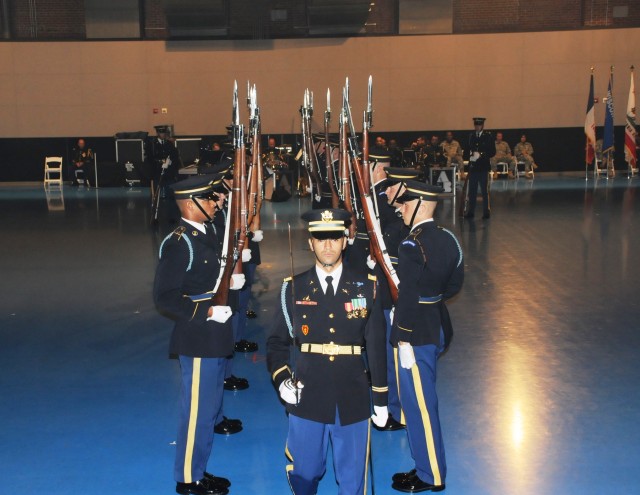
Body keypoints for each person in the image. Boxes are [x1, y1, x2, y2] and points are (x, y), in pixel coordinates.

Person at [267, 208, 389, 495]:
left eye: (334, 238)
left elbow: (376, 345)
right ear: (310, 243)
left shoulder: (367, 286)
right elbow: (276, 343)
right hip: (308, 391)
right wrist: (282, 379)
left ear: (345, 240)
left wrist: (381, 398)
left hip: (353, 391)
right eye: (320, 239)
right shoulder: (292, 289)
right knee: (306, 473)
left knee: (353, 477)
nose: (328, 246)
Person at [153, 174, 248, 495]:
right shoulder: (180, 242)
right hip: (197, 335)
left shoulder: (207, 232)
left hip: (216, 334)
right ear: (190, 205)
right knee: (196, 411)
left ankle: (198, 469)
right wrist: (206, 311)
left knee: (208, 408)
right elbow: (164, 296)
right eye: (208, 199)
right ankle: (188, 478)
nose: (214, 203)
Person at [390, 180, 464, 493]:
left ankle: (431, 474)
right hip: (436, 324)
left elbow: (407, 295)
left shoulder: (411, 246)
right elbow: (454, 285)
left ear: (420, 205)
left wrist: (403, 337)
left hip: (415, 334)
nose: (401, 209)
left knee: (420, 405)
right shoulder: (449, 239)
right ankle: (423, 464)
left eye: (405, 204)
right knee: (420, 401)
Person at [370, 166, 422, 432]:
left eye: (392, 186)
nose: (387, 190)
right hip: (384, 296)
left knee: (392, 359)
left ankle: (395, 407)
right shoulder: (394, 218)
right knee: (386, 357)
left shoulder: (404, 225)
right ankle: (391, 407)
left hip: (395, 298)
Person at [465, 117, 496, 219]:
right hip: (473, 167)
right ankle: (471, 211)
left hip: (483, 167)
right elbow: (467, 150)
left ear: (482, 125)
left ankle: (486, 212)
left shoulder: (488, 136)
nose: (477, 127)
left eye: (479, 125)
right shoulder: (471, 136)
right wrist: (470, 156)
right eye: (476, 125)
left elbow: (492, 152)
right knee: (472, 191)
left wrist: (481, 154)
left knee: (484, 191)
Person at [147, 125, 181, 193]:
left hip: (168, 173)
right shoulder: (152, 144)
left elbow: (174, 156)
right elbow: (150, 158)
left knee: (170, 191)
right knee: (156, 192)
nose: (163, 134)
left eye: (164, 132)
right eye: (161, 132)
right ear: (157, 133)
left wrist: (170, 162)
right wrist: (162, 161)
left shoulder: (169, 144)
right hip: (157, 172)